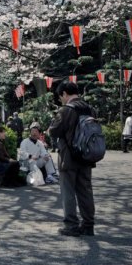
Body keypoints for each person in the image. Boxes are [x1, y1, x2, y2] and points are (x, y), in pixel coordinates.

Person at [49, 81, 97, 237]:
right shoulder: (90, 109)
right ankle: (88, 225)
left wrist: (50, 127)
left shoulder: (66, 110)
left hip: (69, 158)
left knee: (68, 191)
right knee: (85, 191)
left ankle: (71, 225)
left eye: (60, 96)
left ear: (64, 94)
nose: (61, 99)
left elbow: (54, 131)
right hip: (87, 156)